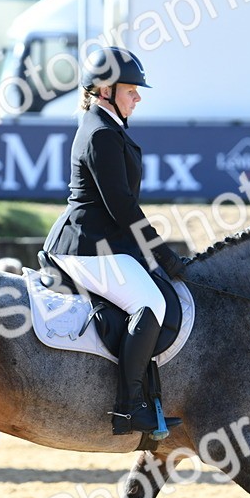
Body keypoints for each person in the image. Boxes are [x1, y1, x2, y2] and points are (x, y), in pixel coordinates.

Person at [42, 47, 186, 437]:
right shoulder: (101, 133)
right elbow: (121, 206)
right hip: (85, 245)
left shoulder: (106, 127)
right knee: (150, 302)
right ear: (105, 89)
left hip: (101, 241)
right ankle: (129, 409)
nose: (138, 96)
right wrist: (162, 253)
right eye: (132, 89)